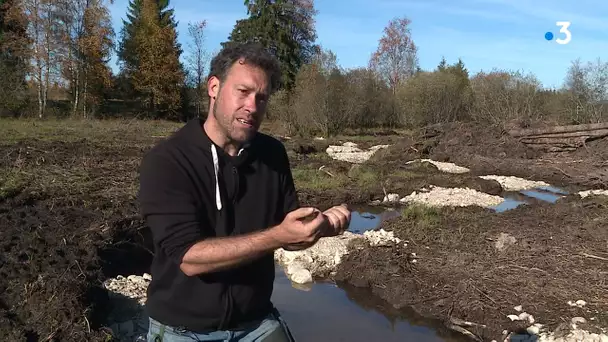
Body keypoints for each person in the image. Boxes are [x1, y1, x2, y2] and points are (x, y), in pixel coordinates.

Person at [137, 42, 351, 342]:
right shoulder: (168, 161)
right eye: (243, 92)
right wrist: (279, 236)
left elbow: (289, 235)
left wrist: (319, 227)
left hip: (255, 321)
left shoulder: (272, 154)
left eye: (261, 97)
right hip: (183, 329)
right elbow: (189, 258)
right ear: (214, 87)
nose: (252, 106)